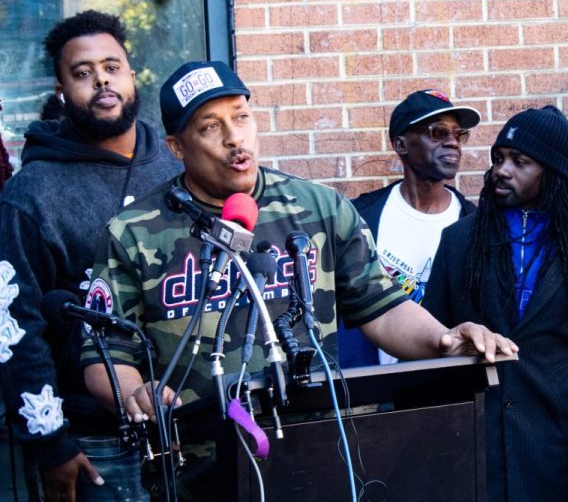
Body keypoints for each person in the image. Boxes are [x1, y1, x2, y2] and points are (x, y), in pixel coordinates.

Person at [81, 60, 518, 499]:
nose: (235, 137)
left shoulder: (320, 209)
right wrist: (137, 391)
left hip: (315, 460)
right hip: (199, 473)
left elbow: (382, 308)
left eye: (241, 116)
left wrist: (445, 339)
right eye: (211, 127)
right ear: (177, 146)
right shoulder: (132, 232)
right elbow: (103, 354)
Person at [0, 10, 181, 501]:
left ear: (131, 74)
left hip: (191, 421)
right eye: (82, 73)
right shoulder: (31, 193)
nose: (101, 79)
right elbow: (15, 325)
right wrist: (50, 442)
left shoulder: (175, 160)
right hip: (94, 434)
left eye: (112, 66)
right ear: (61, 91)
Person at [424, 107, 568, 502]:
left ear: (551, 172)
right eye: (499, 158)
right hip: (471, 445)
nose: (502, 170)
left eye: (520, 162)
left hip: (549, 450)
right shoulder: (459, 241)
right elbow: (428, 344)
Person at [338, 89, 480, 367]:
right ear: (401, 144)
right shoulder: (359, 217)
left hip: (448, 390)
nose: (453, 143)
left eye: (458, 134)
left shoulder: (474, 224)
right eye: (439, 133)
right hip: (375, 390)